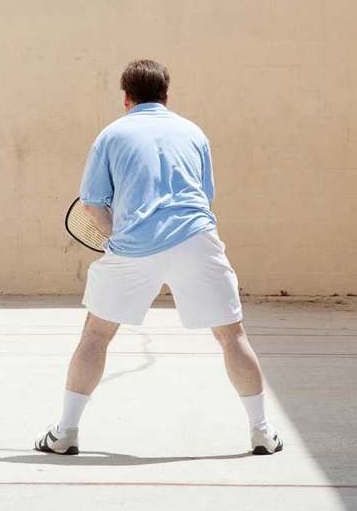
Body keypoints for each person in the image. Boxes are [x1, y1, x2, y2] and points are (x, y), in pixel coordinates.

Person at [34, 60, 283, 456]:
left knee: (96, 335)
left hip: (134, 247)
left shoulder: (111, 135)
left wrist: (117, 237)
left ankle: (65, 433)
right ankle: (262, 432)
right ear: (167, 95)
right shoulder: (193, 132)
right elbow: (204, 195)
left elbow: (92, 206)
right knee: (233, 336)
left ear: (126, 98)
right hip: (196, 239)